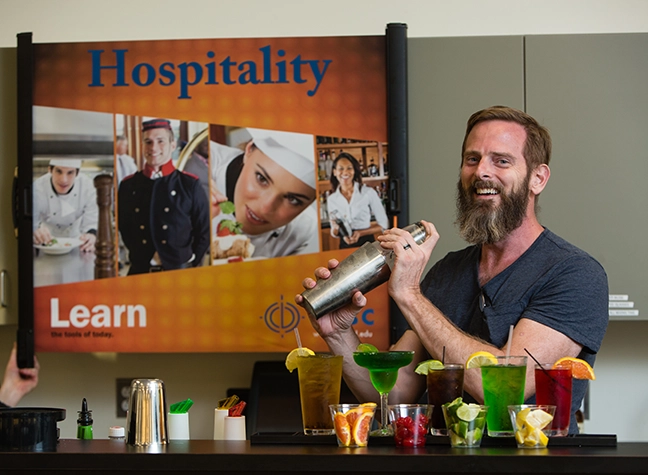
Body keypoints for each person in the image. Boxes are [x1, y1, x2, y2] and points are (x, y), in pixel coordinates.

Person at [296, 106, 609, 434]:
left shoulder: (575, 274)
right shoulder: (448, 271)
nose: (481, 172)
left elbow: (501, 388)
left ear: (538, 178)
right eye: (472, 159)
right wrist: (337, 333)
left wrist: (410, 296)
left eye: (501, 161)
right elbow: (394, 391)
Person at [118, 118, 210, 275]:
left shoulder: (189, 184)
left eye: (160, 141)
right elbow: (124, 228)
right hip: (140, 272)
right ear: (142, 146)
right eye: (148, 142)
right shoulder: (129, 186)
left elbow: (204, 230)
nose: (153, 148)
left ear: (172, 145)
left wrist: (191, 261)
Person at [210, 127, 318, 258]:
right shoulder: (200, 162)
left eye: (293, 199)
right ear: (248, 151)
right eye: (261, 179)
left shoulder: (301, 230)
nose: (265, 208)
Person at [32, 158, 98, 253]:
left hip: (78, 242)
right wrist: (35, 230)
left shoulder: (88, 188)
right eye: (59, 171)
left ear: (77, 173)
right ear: (50, 170)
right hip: (45, 243)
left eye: (70, 172)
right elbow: (31, 223)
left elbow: (92, 223)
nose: (64, 180)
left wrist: (91, 236)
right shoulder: (37, 189)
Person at [326, 152, 389, 248]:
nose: (345, 172)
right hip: (345, 243)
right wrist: (336, 228)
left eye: (349, 168)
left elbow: (384, 224)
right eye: (341, 168)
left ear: (354, 171)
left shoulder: (368, 192)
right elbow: (333, 232)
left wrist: (360, 233)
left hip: (366, 243)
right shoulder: (332, 199)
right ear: (335, 172)